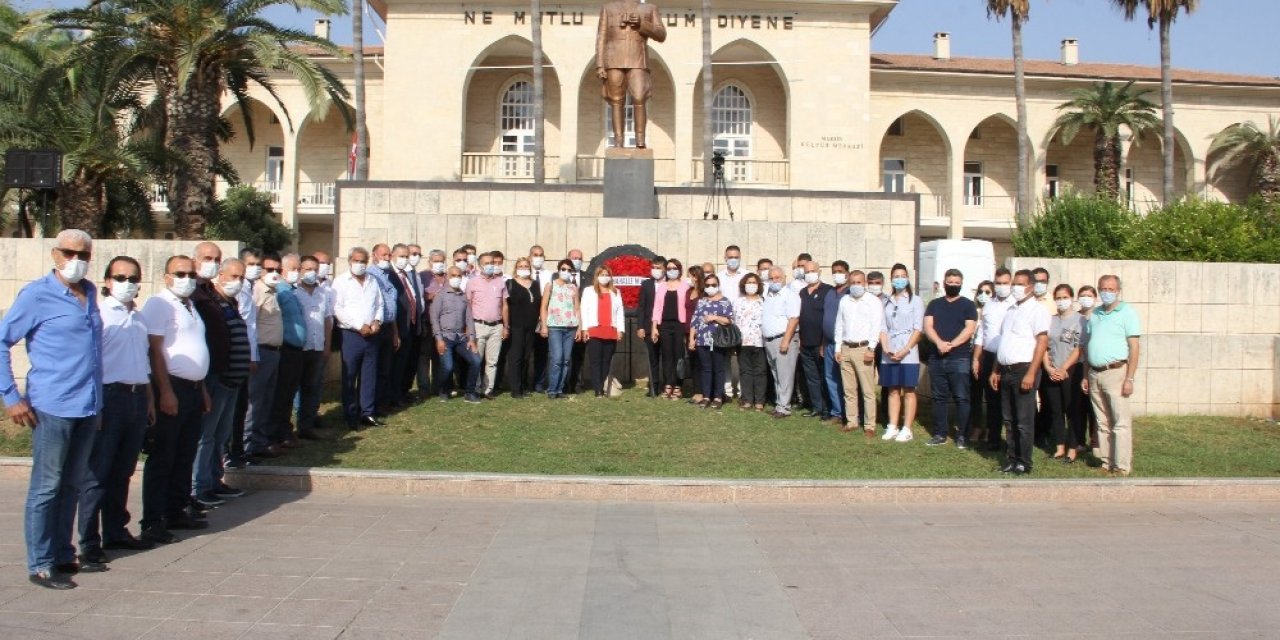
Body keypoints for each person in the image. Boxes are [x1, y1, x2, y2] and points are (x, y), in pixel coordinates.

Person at [0, 230, 103, 588]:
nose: (76, 260)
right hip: (52, 405)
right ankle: (40, 562)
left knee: (71, 485)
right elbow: (2, 340)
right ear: (55, 255)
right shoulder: (37, 295)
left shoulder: (90, 293)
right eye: (69, 253)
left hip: (86, 406)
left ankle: (62, 553)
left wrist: (98, 403)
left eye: (83, 254)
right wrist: (10, 396)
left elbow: (94, 354)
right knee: (47, 486)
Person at [78, 257, 157, 571]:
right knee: (98, 473)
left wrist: (149, 400)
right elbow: (89, 363)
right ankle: (88, 542)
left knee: (123, 470)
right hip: (109, 397)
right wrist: (94, 405)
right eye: (120, 277)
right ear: (107, 281)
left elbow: (143, 362)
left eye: (133, 278)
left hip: (136, 397)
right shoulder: (100, 316)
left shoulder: (138, 317)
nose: (127, 283)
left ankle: (115, 531)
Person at [140, 255, 212, 544]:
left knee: (185, 453)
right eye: (180, 274)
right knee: (164, 455)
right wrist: (166, 390)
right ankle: (153, 520)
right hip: (172, 387)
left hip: (193, 388)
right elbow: (155, 350)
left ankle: (176, 509)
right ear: (167, 277)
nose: (187, 279)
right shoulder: (159, 304)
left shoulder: (190, 305)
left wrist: (202, 388)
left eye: (191, 274)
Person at [190, 256, 251, 509]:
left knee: (221, 435)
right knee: (206, 436)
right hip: (217, 378)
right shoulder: (211, 302)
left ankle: (215, 480)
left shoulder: (231, 302)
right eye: (233, 276)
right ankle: (199, 486)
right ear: (221, 276)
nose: (238, 281)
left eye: (241, 277)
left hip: (232, 381)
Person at [990, 269, 1051, 476]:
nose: (1015, 287)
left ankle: (1024, 461)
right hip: (1006, 370)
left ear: (1030, 287)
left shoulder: (1037, 310)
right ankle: (1012, 458)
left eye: (1019, 284)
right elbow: (1004, 341)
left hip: (1024, 369)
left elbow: (1042, 342)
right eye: (1014, 283)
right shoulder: (1010, 310)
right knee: (1009, 419)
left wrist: (1031, 373)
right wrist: (996, 369)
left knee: (1024, 421)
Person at [1083, 275, 1141, 476]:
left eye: (1111, 289)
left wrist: (1129, 378)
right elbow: (1087, 346)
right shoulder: (1095, 313)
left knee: (1119, 421)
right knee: (1102, 421)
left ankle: (1121, 465)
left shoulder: (1127, 312)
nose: (1106, 292)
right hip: (1095, 372)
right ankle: (1106, 462)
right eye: (1103, 288)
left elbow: (1134, 347)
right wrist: (1085, 375)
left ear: (1118, 291)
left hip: (1116, 371)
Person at [923, 268, 978, 448]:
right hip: (937, 358)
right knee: (939, 398)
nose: (953, 285)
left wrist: (951, 345)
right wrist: (939, 343)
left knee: (962, 397)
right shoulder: (934, 304)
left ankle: (962, 435)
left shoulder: (968, 305)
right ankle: (940, 433)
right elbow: (928, 326)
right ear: (944, 283)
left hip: (959, 358)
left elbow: (969, 329)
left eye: (956, 283)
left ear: (961, 284)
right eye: (950, 282)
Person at [332, 247, 386, 429]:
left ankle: (367, 412)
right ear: (349, 261)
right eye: (356, 260)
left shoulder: (372, 280)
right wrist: (358, 325)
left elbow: (379, 304)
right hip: (351, 335)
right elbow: (337, 308)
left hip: (372, 335)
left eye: (363, 261)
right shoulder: (341, 282)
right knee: (350, 375)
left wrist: (377, 320)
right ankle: (350, 414)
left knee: (369, 375)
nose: (360, 264)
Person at [833, 270, 884, 436]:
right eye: (853, 282)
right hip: (846, 347)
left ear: (865, 283)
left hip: (863, 348)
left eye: (859, 282)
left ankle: (869, 425)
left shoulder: (873, 301)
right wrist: (838, 348)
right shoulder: (844, 300)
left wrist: (871, 348)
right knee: (849, 389)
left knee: (867, 390)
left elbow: (876, 326)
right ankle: (852, 421)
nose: (856, 285)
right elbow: (839, 324)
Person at [244, 253, 283, 459]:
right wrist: (252, 355)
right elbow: (251, 325)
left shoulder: (272, 291)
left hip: (273, 352)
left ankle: (260, 442)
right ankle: (246, 445)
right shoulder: (257, 291)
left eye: (278, 270)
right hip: (261, 351)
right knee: (255, 402)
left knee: (267, 400)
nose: (274, 273)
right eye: (269, 269)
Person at [879, 263, 923, 442]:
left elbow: (918, 329)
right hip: (890, 350)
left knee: (909, 389)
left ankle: (907, 428)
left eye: (902, 276)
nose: (899, 279)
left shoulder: (915, 300)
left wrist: (905, 350)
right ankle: (893, 425)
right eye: (896, 276)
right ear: (891, 279)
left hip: (908, 351)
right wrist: (886, 347)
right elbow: (882, 327)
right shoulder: (886, 302)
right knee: (893, 389)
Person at [972, 268, 1015, 452]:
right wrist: (976, 358)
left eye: (1005, 283)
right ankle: (993, 438)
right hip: (988, 356)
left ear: (1011, 283)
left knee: (1009, 402)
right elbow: (982, 333)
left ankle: (1012, 442)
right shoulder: (989, 305)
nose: (1001, 286)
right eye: (998, 283)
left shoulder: (1015, 305)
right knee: (992, 400)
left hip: (1008, 357)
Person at [227, 248, 261, 469]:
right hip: (235, 358)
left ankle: (239, 450)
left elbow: (251, 326)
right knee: (232, 410)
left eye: (257, 265)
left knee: (241, 407)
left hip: (246, 355)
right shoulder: (233, 294)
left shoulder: (248, 288)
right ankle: (229, 452)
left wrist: (253, 356)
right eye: (250, 264)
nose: (254, 269)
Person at [431, 265, 483, 403]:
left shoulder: (463, 296)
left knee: (476, 360)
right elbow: (434, 318)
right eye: (453, 275)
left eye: (459, 276)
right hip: (445, 336)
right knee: (448, 367)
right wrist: (439, 339)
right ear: (448, 277)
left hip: (461, 337)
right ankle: (444, 390)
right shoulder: (441, 296)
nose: (456, 278)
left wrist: (471, 339)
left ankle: (469, 392)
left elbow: (469, 319)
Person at [1044, 284, 1084, 463]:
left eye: (1064, 297)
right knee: (1056, 410)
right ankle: (1059, 446)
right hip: (1052, 371)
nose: (1061, 301)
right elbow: (1043, 345)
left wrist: (1064, 369)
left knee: (1072, 410)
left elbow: (1078, 348)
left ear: (1072, 298)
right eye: (1058, 298)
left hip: (1071, 371)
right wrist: (1048, 367)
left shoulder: (1080, 320)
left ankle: (1073, 448)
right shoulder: (1050, 320)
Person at [270, 254, 306, 448]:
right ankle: (276, 432)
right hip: (285, 348)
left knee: (289, 392)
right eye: (293, 269)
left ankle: (285, 428)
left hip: (296, 349)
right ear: (282, 270)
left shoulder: (292, 291)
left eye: (299, 269)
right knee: (281, 393)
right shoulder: (280, 291)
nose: (297, 272)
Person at [294, 256, 332, 438]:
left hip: (317, 347)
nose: (312, 273)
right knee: (294, 387)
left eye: (315, 269)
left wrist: (327, 345)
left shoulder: (323, 293)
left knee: (312, 386)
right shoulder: (294, 293)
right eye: (307, 269)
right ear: (300, 270)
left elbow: (327, 319)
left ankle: (307, 425)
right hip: (299, 347)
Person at [689, 274, 735, 409]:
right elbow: (695, 321)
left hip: (718, 340)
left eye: (713, 285)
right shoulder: (701, 301)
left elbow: (729, 320)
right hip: (702, 340)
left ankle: (718, 397)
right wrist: (692, 338)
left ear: (718, 285)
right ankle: (706, 396)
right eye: (708, 285)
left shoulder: (725, 301)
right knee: (706, 369)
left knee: (719, 369)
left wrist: (715, 317)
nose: (710, 287)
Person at [762, 266, 802, 418]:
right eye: (771, 278)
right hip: (770, 341)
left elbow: (794, 319)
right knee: (776, 374)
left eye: (777, 277)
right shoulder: (769, 296)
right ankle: (780, 404)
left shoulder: (790, 295)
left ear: (784, 278)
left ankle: (784, 407)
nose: (775, 281)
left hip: (784, 339)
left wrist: (786, 341)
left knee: (785, 375)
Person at [468, 251, 508, 398]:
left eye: (492, 262)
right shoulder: (473, 282)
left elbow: (504, 305)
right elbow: (468, 305)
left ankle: (488, 389)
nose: (490, 265)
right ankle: (476, 388)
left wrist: (506, 326)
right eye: (487, 263)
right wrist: (468, 328)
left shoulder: (500, 282)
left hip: (496, 326)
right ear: (480, 266)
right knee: (476, 360)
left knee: (492, 361)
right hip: (478, 325)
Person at [580, 265, 625, 398]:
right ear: (597, 276)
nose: (604, 277)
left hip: (611, 330)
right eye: (602, 275)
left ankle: (604, 385)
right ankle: (598, 389)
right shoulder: (589, 291)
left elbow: (619, 312)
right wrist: (584, 328)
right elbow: (584, 310)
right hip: (594, 330)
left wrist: (620, 330)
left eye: (607, 275)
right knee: (595, 361)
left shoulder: (616, 292)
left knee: (606, 361)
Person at [796, 261, 833, 422]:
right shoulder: (802, 292)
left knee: (825, 377)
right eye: (807, 271)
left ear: (819, 272)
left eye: (812, 271)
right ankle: (816, 407)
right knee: (811, 378)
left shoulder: (828, 291)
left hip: (821, 343)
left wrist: (824, 342)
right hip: (805, 342)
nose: (809, 274)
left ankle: (828, 409)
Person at [540, 260, 581, 400]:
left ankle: (560, 389)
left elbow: (577, 308)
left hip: (570, 327)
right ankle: (552, 389)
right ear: (558, 270)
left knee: (566, 360)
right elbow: (544, 307)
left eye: (569, 270)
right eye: (563, 269)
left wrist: (579, 328)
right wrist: (544, 325)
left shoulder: (574, 288)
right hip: (555, 327)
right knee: (557, 358)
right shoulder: (550, 286)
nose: (566, 272)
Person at [651, 259, 690, 400]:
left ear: (679, 270)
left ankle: (678, 386)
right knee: (667, 356)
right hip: (665, 326)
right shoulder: (662, 286)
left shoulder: (685, 286)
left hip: (680, 325)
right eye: (669, 268)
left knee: (679, 356)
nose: (671, 271)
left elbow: (688, 307)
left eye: (674, 268)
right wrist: (654, 327)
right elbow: (657, 307)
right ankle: (668, 384)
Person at [369, 243, 402, 414]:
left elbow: (392, 306)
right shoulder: (370, 275)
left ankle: (382, 402)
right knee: (373, 369)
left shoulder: (389, 275)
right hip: (376, 326)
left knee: (385, 368)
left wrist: (395, 332)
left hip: (389, 325)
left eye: (389, 255)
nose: (387, 258)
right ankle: (371, 404)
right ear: (374, 255)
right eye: (383, 255)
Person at [505, 257, 542, 399]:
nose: (524, 268)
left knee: (526, 356)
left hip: (531, 326)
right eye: (520, 266)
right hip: (516, 326)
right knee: (516, 356)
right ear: (516, 268)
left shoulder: (535, 284)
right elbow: (505, 305)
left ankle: (524, 386)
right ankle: (515, 389)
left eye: (526, 266)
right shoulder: (510, 283)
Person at [820, 260, 851, 424]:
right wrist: (823, 343)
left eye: (840, 271)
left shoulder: (850, 293)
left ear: (847, 273)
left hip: (844, 344)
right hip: (829, 343)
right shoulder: (830, 292)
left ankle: (851, 413)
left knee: (847, 379)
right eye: (834, 272)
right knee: (831, 377)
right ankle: (837, 412)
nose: (837, 274)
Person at [395, 244, 426, 403]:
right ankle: (397, 393)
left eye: (417, 254)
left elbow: (417, 299)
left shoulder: (414, 275)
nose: (414, 257)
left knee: (412, 360)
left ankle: (405, 390)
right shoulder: (398, 275)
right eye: (410, 254)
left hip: (416, 323)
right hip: (403, 325)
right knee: (401, 362)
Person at [416, 249, 448, 400]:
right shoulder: (422, 276)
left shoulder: (449, 277)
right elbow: (418, 295)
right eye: (436, 261)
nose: (439, 264)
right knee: (424, 356)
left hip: (444, 324)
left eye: (441, 261)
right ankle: (423, 388)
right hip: (428, 322)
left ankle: (438, 386)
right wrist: (431, 296)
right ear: (429, 262)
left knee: (439, 355)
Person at [733, 272, 767, 411]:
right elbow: (734, 322)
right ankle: (747, 400)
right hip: (742, 342)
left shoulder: (764, 301)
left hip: (760, 341)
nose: (751, 285)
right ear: (744, 285)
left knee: (760, 371)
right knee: (745, 371)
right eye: (749, 282)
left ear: (758, 285)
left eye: (754, 282)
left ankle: (759, 401)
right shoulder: (738, 302)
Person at [967, 279, 996, 443]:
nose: (983, 295)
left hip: (990, 356)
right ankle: (977, 427)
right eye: (980, 292)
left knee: (991, 395)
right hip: (973, 355)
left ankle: (991, 429)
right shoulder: (973, 311)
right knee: (975, 394)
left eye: (987, 292)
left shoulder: (996, 311)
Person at [718, 245, 746, 399]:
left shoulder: (746, 275)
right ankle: (727, 391)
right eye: (730, 257)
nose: (733, 260)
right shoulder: (719, 277)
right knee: (725, 358)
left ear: (740, 258)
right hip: (724, 323)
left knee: (743, 358)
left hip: (743, 323)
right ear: (725, 258)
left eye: (736, 257)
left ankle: (743, 391)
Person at [1076, 284, 1100, 450]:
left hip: (1093, 365)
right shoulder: (1075, 317)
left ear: (1095, 298)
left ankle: (1095, 440)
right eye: (1082, 295)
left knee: (1094, 407)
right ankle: (1079, 440)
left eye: (1089, 295)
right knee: (1079, 406)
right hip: (1077, 365)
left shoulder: (1099, 316)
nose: (1086, 298)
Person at [637, 256, 666, 397]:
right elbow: (641, 306)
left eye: (658, 268)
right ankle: (654, 387)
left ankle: (668, 386)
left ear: (664, 269)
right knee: (652, 358)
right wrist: (640, 326)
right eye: (653, 267)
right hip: (649, 327)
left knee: (667, 358)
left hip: (666, 326)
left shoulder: (670, 284)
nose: (655, 270)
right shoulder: (646, 284)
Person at [528, 245, 553, 392]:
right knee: (525, 353)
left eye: (541, 255)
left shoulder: (548, 274)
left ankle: (539, 383)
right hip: (528, 319)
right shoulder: (525, 273)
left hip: (544, 319)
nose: (538, 258)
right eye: (535, 255)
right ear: (530, 256)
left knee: (542, 354)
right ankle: (523, 383)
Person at [565, 248, 588, 394]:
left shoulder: (588, 278)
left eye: (579, 258)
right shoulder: (559, 276)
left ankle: (577, 384)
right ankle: (564, 384)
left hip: (581, 322)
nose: (577, 261)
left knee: (579, 355)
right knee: (564, 356)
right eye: (574, 258)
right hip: (564, 321)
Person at [684, 264, 707, 403]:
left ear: (698, 277)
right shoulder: (688, 292)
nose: (690, 279)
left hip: (701, 332)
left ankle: (704, 392)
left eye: (692, 276)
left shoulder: (704, 293)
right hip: (688, 331)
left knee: (702, 362)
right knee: (693, 362)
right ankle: (696, 391)